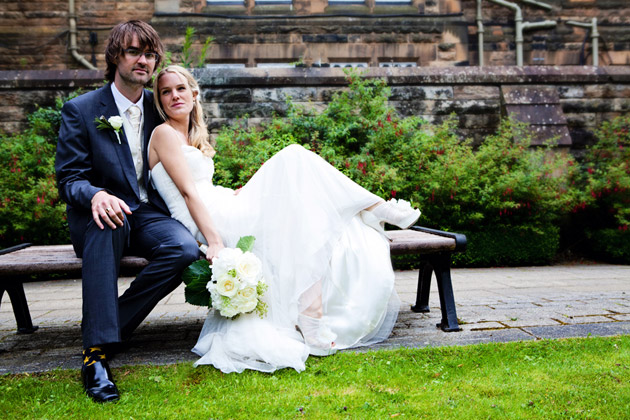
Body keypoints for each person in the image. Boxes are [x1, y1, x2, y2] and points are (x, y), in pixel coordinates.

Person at [149, 65, 421, 373]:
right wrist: (214, 242)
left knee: (302, 206)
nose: (174, 96)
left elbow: (203, 189)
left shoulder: (190, 136)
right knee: (293, 157)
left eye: (180, 89)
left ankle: (312, 316)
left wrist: (233, 195)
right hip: (208, 221)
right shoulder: (163, 133)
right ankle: (374, 208)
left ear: (194, 93)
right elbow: (189, 194)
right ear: (159, 99)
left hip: (219, 206)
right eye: (165, 92)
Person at [55, 23, 200, 402]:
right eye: (135, 51)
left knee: (183, 249)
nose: (144, 61)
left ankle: (108, 327)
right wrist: (96, 194)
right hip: (99, 214)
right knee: (107, 221)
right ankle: (95, 358)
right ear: (115, 55)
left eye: (150, 54)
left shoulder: (159, 109)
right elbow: (69, 179)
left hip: (146, 212)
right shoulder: (82, 110)